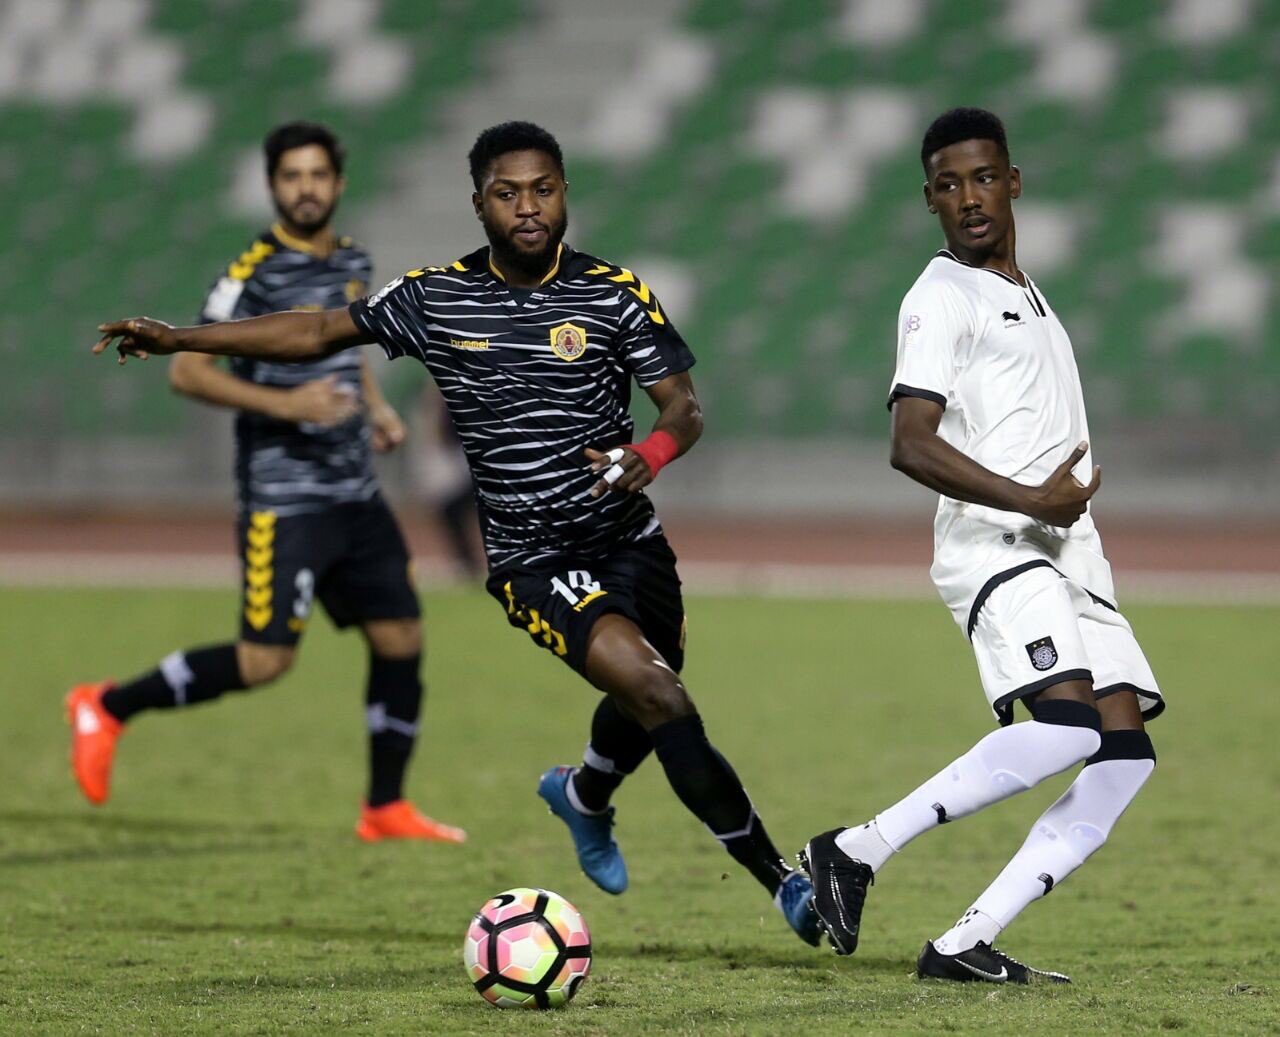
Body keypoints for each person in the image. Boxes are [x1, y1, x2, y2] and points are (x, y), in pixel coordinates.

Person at [90, 120, 820, 946]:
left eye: (543, 189)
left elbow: (683, 406)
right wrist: (180, 337)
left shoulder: (614, 293)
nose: (528, 207)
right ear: (479, 205)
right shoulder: (434, 298)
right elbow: (319, 332)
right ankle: (783, 882)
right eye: (507, 194)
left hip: (630, 538)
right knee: (660, 694)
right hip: (533, 556)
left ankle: (583, 793)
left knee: (653, 687)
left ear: (565, 193)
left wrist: (648, 452)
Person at [799, 108, 1163, 982]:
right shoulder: (940, 296)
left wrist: (1060, 512)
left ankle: (964, 942)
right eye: (950, 184)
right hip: (999, 542)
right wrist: (1032, 499)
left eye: (984, 177)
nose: (969, 197)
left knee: (1123, 756)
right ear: (928, 199)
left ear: (1014, 182)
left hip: (1071, 551)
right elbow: (909, 443)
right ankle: (854, 848)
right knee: (1070, 728)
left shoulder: (1027, 291)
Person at [68, 121, 464, 845]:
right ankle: (107, 706)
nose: (306, 188)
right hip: (284, 503)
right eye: (291, 176)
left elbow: (347, 343)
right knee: (264, 661)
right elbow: (189, 372)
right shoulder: (249, 272)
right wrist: (289, 404)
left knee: (401, 634)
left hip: (356, 493)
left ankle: (385, 806)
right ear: (273, 186)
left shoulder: (354, 259)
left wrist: (375, 408)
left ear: (338, 183)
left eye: (317, 175)